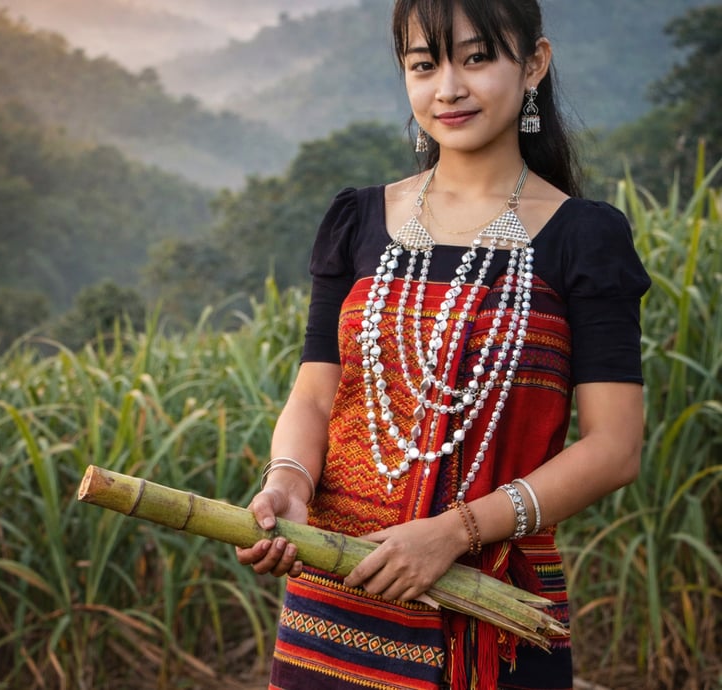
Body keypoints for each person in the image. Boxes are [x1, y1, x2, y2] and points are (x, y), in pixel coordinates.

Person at [236, 1, 651, 688]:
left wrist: (454, 533)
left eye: (477, 58)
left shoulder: (585, 237)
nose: (449, 88)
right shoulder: (357, 219)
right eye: (424, 65)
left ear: (535, 65)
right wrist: (289, 481)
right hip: (337, 588)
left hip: (493, 613)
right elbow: (315, 391)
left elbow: (615, 448)